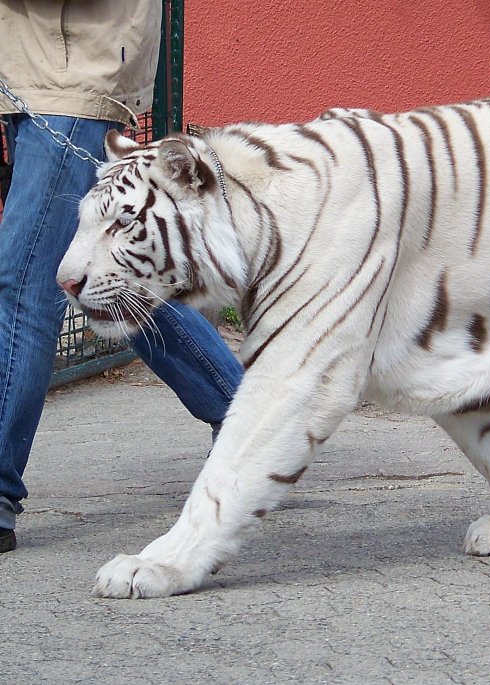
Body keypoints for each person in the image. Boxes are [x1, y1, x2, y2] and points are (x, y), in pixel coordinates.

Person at [0, 0, 243, 552]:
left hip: (69, 79)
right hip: (44, 73)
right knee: (119, 286)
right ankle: (247, 421)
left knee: (23, 288)